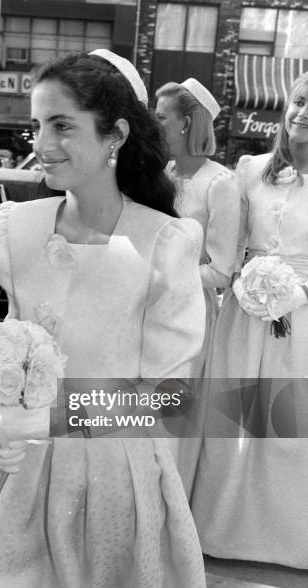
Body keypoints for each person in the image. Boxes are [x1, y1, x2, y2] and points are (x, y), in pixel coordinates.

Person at [0, 50, 207, 588]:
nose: (41, 143)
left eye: (62, 125)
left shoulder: (165, 243)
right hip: (18, 477)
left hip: (114, 477)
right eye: (36, 125)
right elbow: (9, 348)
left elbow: (169, 395)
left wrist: (51, 416)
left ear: (115, 135)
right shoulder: (16, 230)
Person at [191, 71, 308, 569]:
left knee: (288, 425)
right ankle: (218, 530)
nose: (303, 113)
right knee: (231, 416)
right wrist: (242, 283)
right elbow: (229, 246)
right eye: (300, 101)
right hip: (243, 312)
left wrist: (296, 293)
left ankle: (286, 539)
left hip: (300, 319)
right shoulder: (250, 170)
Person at [155, 79, 240, 498]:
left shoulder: (220, 183)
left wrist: (168, 276)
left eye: (161, 117)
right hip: (151, 308)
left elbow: (223, 269)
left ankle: (172, 507)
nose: (154, 125)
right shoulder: (162, 173)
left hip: (191, 312)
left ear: (188, 123)